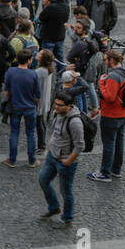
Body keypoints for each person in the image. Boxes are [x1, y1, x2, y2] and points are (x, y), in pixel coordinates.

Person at [39, 92, 85, 228]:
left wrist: (69, 161)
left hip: (65, 160)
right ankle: (54, 207)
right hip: (52, 155)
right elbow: (55, 130)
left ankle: (67, 219)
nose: (56, 107)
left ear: (69, 106)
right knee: (43, 180)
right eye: (56, 104)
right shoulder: (56, 113)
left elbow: (80, 145)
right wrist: (50, 144)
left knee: (66, 191)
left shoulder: (75, 122)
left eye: (60, 105)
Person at [89, 50, 125, 183]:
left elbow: (109, 97)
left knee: (109, 144)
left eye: (106, 59)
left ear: (112, 61)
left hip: (111, 115)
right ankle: (116, 169)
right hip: (123, 113)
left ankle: (105, 172)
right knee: (119, 142)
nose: (105, 62)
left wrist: (101, 83)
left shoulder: (113, 76)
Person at [2, 49, 41, 168]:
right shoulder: (34, 74)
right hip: (30, 107)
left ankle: (12, 159)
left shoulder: (11, 71)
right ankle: (31, 160)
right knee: (30, 133)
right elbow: (38, 95)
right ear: (29, 60)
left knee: (14, 132)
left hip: (15, 106)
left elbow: (5, 92)